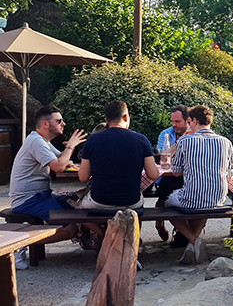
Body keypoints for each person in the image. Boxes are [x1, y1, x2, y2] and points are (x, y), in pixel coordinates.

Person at [9, 105, 87, 268]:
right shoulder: (36, 142)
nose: (63, 124)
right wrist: (70, 146)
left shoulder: (42, 140)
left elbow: (62, 160)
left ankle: (103, 240)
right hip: (28, 199)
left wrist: (70, 150)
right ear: (45, 124)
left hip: (42, 195)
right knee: (70, 229)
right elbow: (58, 167)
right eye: (59, 121)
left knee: (77, 213)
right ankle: (18, 247)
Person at [166, 105, 233, 264]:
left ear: (194, 120)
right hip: (218, 199)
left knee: (166, 206)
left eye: (189, 121)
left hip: (192, 197)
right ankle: (193, 242)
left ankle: (193, 239)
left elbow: (176, 172)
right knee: (203, 203)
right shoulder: (225, 142)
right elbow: (230, 176)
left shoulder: (185, 140)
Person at [77, 102, 161, 233]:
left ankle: (105, 234)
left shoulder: (92, 140)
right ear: (126, 117)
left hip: (99, 201)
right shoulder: (141, 140)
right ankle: (134, 238)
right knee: (140, 201)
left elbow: (83, 177)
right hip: (131, 202)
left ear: (106, 121)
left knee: (76, 206)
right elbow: (153, 175)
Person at [152, 105, 189, 241]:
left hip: (187, 176)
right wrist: (181, 139)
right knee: (167, 188)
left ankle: (182, 233)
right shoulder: (166, 134)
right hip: (168, 176)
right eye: (172, 121)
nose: (173, 125)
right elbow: (165, 156)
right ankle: (159, 224)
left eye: (177, 121)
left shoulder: (197, 133)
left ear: (188, 121)